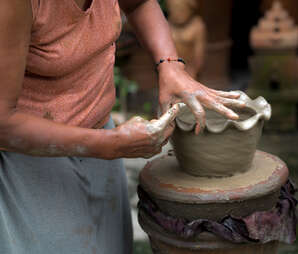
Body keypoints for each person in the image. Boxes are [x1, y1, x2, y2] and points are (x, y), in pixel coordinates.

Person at [0, 0, 244, 253]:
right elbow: (2, 124)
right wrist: (110, 144)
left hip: (101, 142)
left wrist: (171, 65)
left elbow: (140, 4)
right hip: (31, 159)